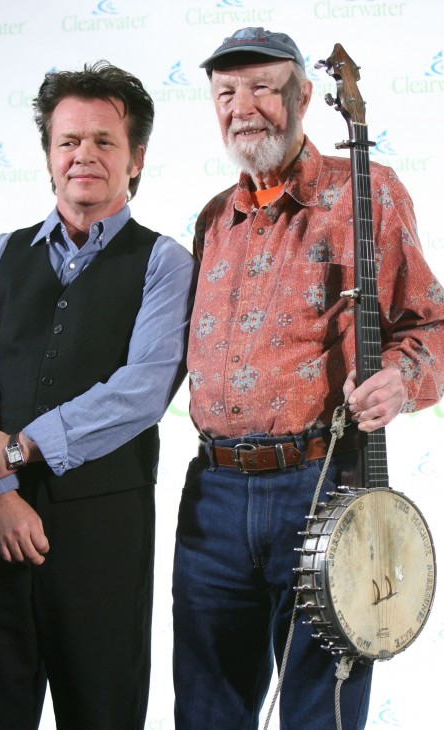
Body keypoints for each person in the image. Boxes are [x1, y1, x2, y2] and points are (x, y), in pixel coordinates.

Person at [172, 27, 444, 730]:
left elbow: (432, 323)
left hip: (319, 486)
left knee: (318, 714)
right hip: (213, 496)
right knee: (206, 711)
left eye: (262, 87)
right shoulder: (214, 219)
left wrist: (400, 381)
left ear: (301, 96)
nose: (243, 107)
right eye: (226, 92)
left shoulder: (367, 192)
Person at [0, 61, 195, 730]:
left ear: (135, 158)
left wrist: (15, 448)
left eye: (103, 141)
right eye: (68, 142)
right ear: (47, 156)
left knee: (103, 715)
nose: (83, 156)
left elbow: (142, 390)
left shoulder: (165, 263)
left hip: (105, 540)